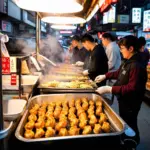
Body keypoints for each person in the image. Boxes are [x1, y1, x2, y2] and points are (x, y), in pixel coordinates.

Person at [95, 35, 147, 146]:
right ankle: (127, 139)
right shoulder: (128, 61)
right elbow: (119, 72)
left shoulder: (136, 65)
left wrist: (110, 89)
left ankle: (132, 142)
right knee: (124, 120)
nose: (121, 51)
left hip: (131, 101)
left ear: (131, 49)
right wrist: (106, 75)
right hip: (123, 98)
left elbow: (132, 88)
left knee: (130, 122)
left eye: (122, 48)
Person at [101, 32, 121, 102]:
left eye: (102, 40)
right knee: (109, 93)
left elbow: (111, 63)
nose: (102, 42)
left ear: (107, 39)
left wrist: (102, 70)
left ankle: (109, 106)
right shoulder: (111, 46)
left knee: (109, 94)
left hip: (113, 74)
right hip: (112, 73)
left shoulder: (112, 47)